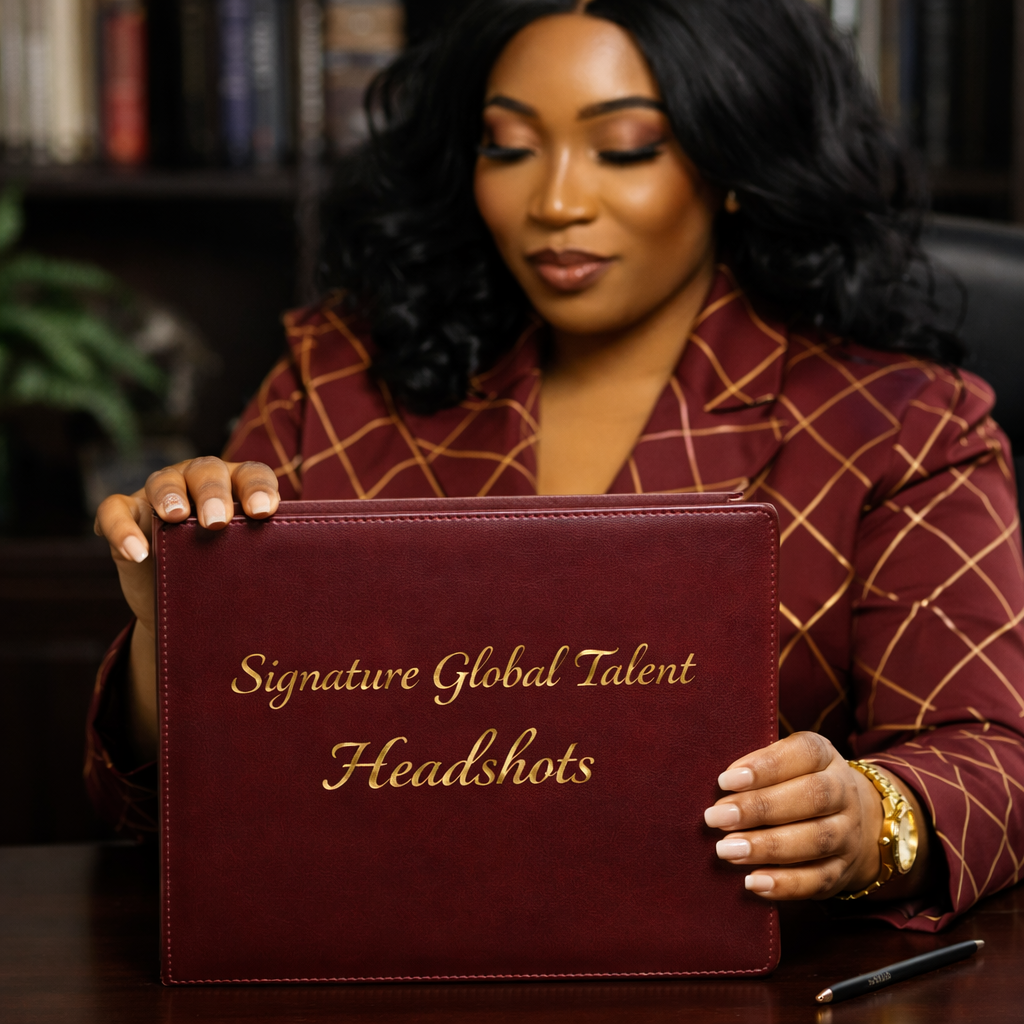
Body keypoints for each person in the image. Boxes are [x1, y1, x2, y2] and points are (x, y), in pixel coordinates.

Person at [89, 0, 1024, 933]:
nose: (555, 203)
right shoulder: (337, 375)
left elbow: (990, 757)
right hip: (383, 954)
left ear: (732, 164)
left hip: (728, 970)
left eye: (622, 147)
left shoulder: (904, 422)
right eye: (508, 148)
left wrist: (873, 822)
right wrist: (168, 634)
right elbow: (161, 811)